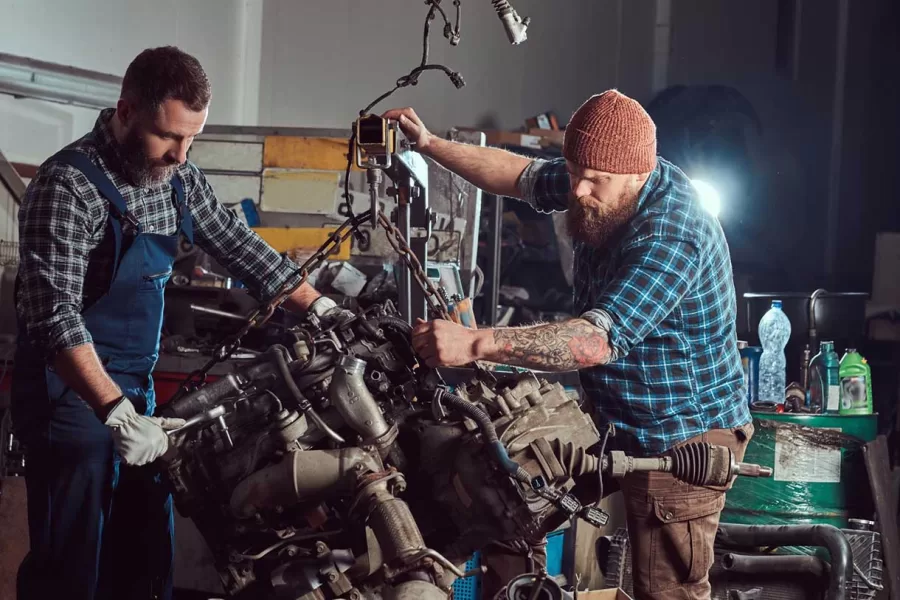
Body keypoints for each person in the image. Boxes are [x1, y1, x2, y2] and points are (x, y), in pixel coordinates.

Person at [383, 91, 754, 600]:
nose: (577, 190)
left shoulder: (673, 232)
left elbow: (595, 341)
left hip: (683, 436)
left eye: (593, 180)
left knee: (666, 594)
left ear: (637, 173)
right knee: (499, 496)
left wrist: (476, 343)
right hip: (610, 419)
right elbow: (519, 176)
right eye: (574, 171)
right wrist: (429, 145)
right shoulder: (598, 175)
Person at [11, 46, 344, 600]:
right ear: (125, 111)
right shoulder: (68, 186)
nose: (181, 154)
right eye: (169, 137)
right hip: (69, 396)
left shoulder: (178, 178)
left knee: (146, 557)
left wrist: (318, 306)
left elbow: (238, 245)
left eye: (193, 139)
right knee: (71, 566)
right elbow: (51, 316)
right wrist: (114, 412)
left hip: (138, 389)